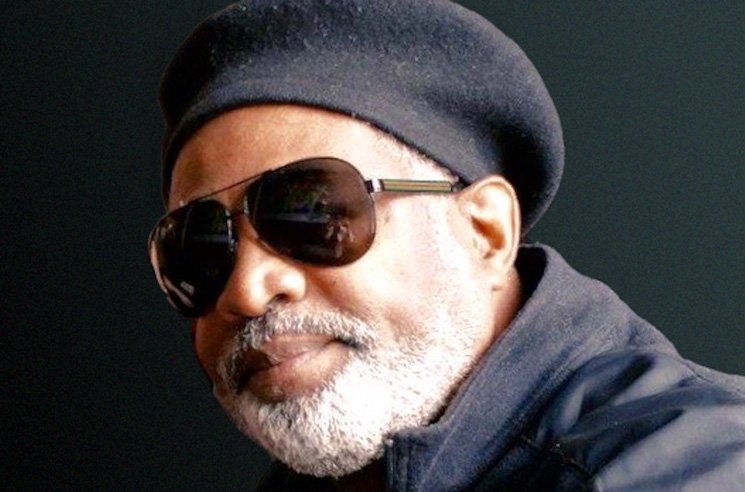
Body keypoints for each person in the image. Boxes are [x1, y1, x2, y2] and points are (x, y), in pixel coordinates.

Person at [148, 1, 745, 490]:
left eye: (314, 214)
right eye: (197, 247)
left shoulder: (690, 468)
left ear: (486, 232)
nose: (247, 290)